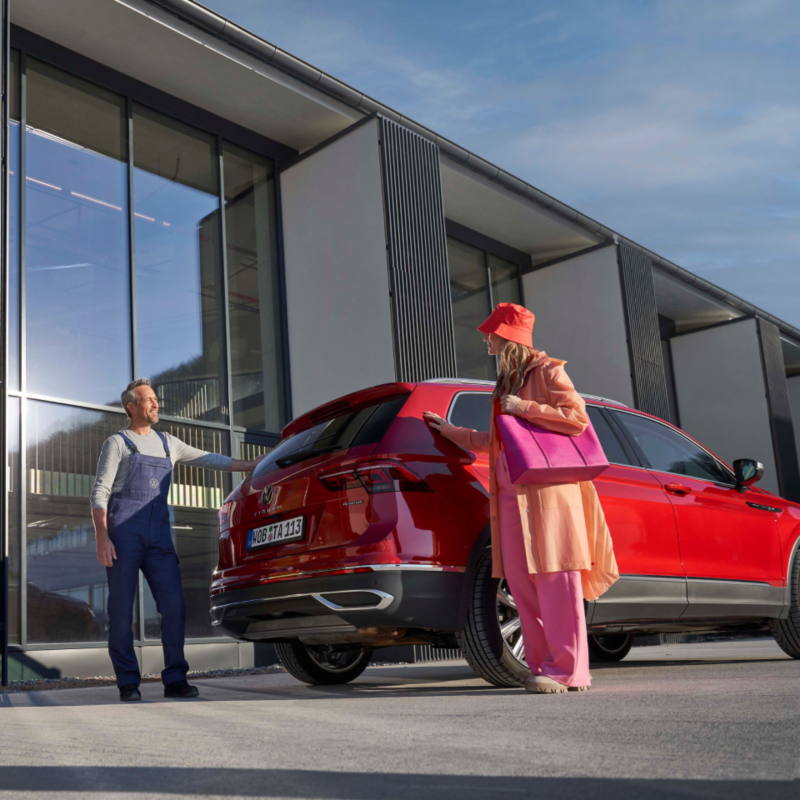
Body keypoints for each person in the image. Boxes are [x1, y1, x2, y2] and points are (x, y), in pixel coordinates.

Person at [424, 303, 619, 693]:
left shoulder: (548, 371)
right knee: (521, 583)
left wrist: (525, 408)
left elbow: (577, 418)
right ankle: (544, 668)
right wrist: (451, 432)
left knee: (556, 581)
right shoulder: (504, 385)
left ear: (508, 335)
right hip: (510, 500)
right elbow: (494, 443)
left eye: (490, 332)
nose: (485, 338)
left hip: (548, 497)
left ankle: (571, 672)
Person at [91, 378, 265, 702]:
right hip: (123, 533)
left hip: (159, 534)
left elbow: (209, 459)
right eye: (148, 399)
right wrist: (102, 537)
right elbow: (100, 492)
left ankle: (175, 679)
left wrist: (249, 465)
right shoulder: (116, 443)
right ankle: (128, 682)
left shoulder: (169, 443)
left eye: (156, 399)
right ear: (131, 407)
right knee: (120, 609)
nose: (155, 404)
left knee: (174, 605)